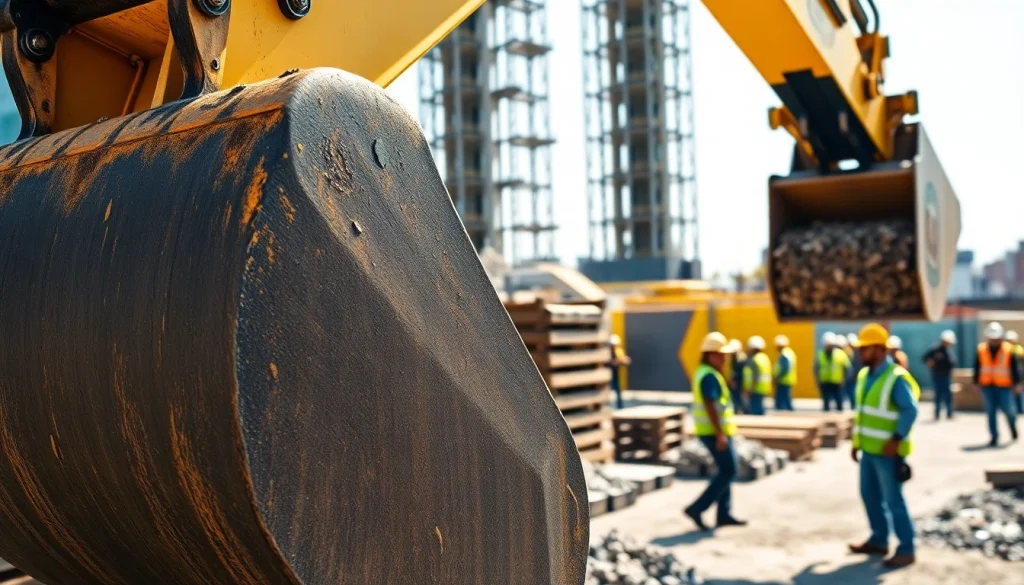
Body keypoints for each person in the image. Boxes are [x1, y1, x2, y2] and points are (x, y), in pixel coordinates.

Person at [848, 323, 920, 568]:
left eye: (864, 349)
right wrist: (856, 443)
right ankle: (879, 539)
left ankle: (906, 548)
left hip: (888, 452)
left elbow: (910, 410)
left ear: (879, 349)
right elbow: (863, 413)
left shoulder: (896, 378)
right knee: (869, 496)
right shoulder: (864, 375)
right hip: (868, 450)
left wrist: (896, 440)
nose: (860, 354)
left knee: (893, 501)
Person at [684, 332, 747, 531]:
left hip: (716, 431)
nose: (725, 358)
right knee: (729, 469)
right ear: (710, 354)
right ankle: (697, 508)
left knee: (726, 470)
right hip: (713, 432)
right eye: (721, 354)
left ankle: (724, 514)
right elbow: (710, 404)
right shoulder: (709, 376)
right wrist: (720, 434)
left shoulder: (707, 372)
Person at [973, 322, 1020, 446]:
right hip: (987, 385)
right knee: (991, 412)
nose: (994, 340)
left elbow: (1014, 368)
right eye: (992, 338)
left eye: (996, 338)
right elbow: (977, 367)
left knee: (1009, 410)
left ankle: (1012, 427)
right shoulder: (981, 349)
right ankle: (994, 437)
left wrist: (1017, 383)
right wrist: (975, 382)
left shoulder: (1008, 349)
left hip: (1004, 385)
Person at [923, 330, 957, 420]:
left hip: (946, 376)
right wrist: (931, 364)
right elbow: (925, 358)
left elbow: (952, 363)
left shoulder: (948, 351)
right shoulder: (935, 350)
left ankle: (949, 413)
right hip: (937, 375)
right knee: (938, 394)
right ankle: (937, 413)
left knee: (948, 395)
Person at [816, 332, 850, 412]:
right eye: (828, 345)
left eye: (830, 345)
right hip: (825, 382)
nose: (829, 347)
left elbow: (848, 368)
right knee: (826, 404)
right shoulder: (820, 354)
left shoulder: (840, 354)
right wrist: (817, 380)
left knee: (839, 403)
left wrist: (844, 379)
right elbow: (816, 368)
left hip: (837, 382)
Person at [743, 336, 772, 415]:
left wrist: (751, 388)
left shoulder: (755, 359)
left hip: (755, 388)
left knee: (755, 411)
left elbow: (755, 375)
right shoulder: (764, 358)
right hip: (763, 387)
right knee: (760, 410)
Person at [608, 334, 631, 409]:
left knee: (617, 390)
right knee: (607, 391)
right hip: (607, 375)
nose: (614, 346)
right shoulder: (607, 352)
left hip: (615, 374)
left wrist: (623, 360)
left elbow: (623, 360)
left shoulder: (618, 351)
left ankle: (620, 406)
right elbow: (608, 362)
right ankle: (608, 407)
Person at [773, 334, 796, 411]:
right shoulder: (789, 352)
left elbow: (785, 369)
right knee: (786, 401)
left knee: (783, 402)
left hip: (783, 381)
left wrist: (777, 377)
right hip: (787, 380)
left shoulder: (784, 354)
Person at [728, 339, 748, 414]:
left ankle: (743, 411)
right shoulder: (735, 358)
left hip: (740, 382)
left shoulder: (741, 359)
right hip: (737, 382)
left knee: (740, 398)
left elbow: (739, 372)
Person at [1007, 330, 1024, 417]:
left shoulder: (1017, 349)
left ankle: (1020, 409)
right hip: (1009, 375)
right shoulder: (1006, 349)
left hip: (1019, 374)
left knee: (1018, 392)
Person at [844, 333, 863, 409]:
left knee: (854, 393)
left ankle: (855, 406)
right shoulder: (852, 352)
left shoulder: (857, 352)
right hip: (853, 376)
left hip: (856, 376)